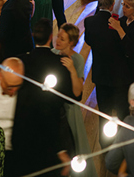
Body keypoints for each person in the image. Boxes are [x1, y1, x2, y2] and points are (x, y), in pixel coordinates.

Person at [13, 19, 74, 176]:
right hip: (51, 136)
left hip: (24, 134)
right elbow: (71, 97)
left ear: (33, 35)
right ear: (51, 37)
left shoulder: (20, 62)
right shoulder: (60, 63)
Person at [84, 0, 130, 145]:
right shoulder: (120, 23)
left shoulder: (89, 22)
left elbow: (89, 41)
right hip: (119, 74)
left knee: (104, 112)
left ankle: (105, 145)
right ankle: (123, 143)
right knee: (122, 111)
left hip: (100, 73)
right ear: (112, 5)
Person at [53, 23, 96, 177]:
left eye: (62, 39)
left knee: (74, 146)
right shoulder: (52, 54)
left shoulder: (77, 60)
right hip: (53, 108)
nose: (57, 41)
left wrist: (71, 69)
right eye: (58, 36)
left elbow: (78, 92)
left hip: (70, 109)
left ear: (71, 42)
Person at [0, 57, 25, 177]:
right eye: (10, 87)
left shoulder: (27, 94)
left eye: (18, 86)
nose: (14, 91)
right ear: (0, 76)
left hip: (15, 154)